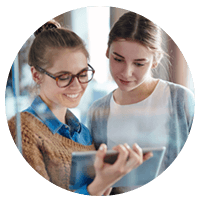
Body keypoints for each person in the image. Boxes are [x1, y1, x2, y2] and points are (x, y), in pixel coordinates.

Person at [7, 20, 152, 196]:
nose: (76, 85)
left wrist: (114, 175)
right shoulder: (22, 130)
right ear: (37, 75)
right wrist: (99, 185)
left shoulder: (83, 132)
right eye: (64, 76)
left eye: (83, 74)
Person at [87, 12, 195, 193]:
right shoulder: (97, 111)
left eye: (139, 63)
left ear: (155, 60)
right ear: (107, 52)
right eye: (118, 59)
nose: (126, 72)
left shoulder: (180, 100)